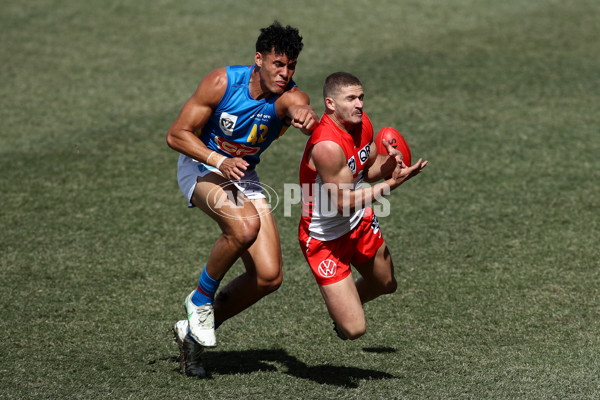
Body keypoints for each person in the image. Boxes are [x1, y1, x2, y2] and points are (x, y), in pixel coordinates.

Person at [166, 21, 318, 378]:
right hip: (201, 165)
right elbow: (177, 135)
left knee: (268, 277)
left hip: (241, 175)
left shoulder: (289, 96)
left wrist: (303, 115)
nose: (285, 73)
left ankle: (191, 333)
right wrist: (219, 159)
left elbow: (297, 105)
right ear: (258, 60)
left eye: (291, 66)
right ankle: (200, 299)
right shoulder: (222, 83)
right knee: (244, 226)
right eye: (277, 64)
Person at [298, 72, 428, 341]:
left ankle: (346, 303)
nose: (359, 104)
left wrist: (392, 164)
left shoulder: (362, 124)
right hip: (325, 239)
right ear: (330, 104)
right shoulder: (327, 146)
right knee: (355, 329)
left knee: (385, 283)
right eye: (351, 99)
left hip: (359, 221)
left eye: (361, 97)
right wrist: (392, 184)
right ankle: (344, 309)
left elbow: (367, 171)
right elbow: (343, 202)